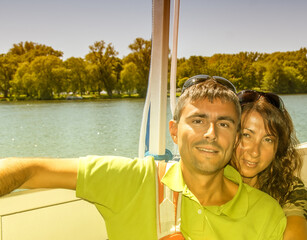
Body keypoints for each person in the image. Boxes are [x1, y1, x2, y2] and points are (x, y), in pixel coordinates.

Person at [0, 76, 286, 240]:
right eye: (198, 121)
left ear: (235, 137)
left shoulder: (266, 213)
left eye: (224, 123)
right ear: (174, 131)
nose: (211, 134)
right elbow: (29, 170)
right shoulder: (133, 180)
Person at [231, 90, 307, 240]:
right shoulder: (212, 180)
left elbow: (296, 230)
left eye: (268, 140)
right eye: (247, 135)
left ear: (278, 147)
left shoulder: (288, 188)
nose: (255, 152)